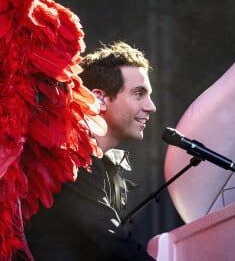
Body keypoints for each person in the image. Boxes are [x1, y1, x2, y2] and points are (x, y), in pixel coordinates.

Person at [21, 41, 156, 261]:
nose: (151, 106)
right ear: (100, 99)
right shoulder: (68, 158)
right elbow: (113, 248)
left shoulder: (94, 161)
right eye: (139, 94)